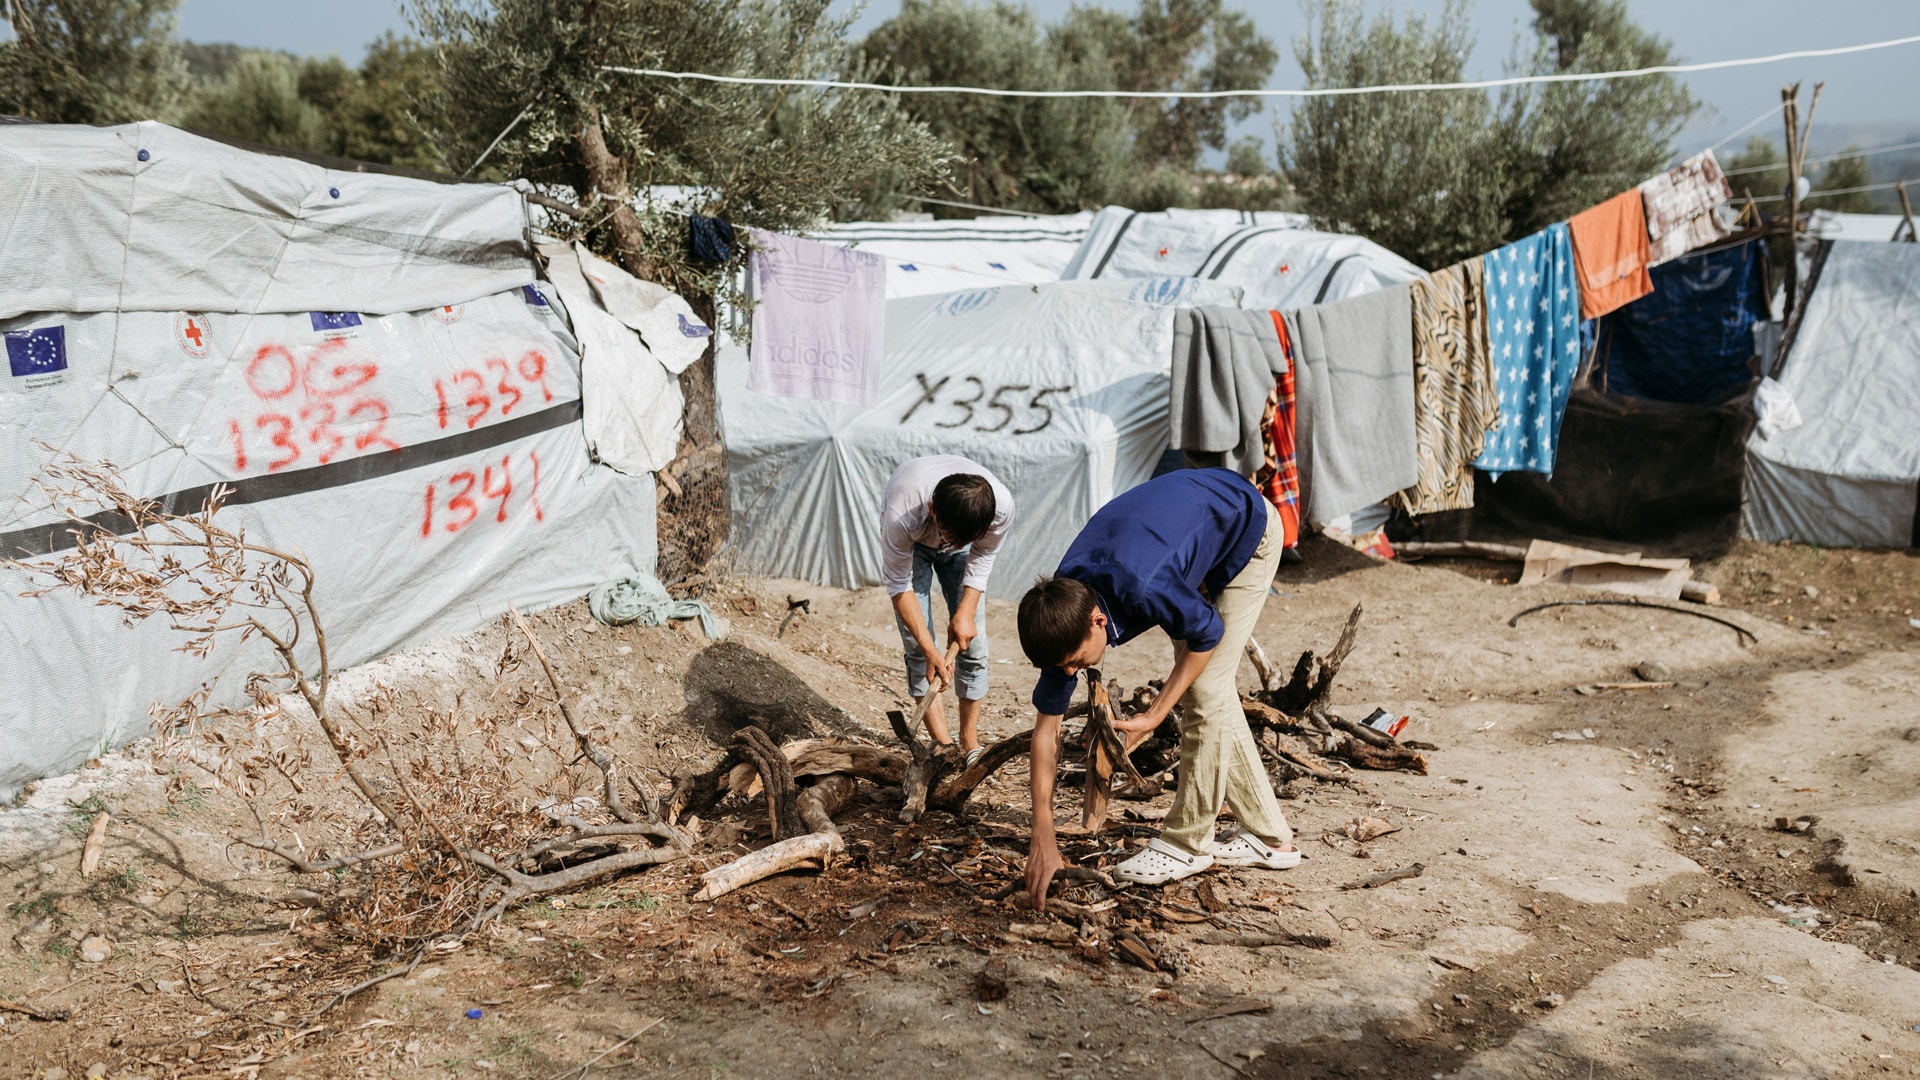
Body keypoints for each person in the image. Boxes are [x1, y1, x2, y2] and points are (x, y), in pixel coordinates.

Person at [1017, 468, 1298, 907]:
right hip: (1185, 533)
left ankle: (1188, 844)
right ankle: (1270, 838)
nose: (1069, 674)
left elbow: (1208, 634)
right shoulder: (1062, 608)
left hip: (1248, 527)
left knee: (1203, 688)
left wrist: (1155, 714)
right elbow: (1046, 729)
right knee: (1211, 688)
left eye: (1073, 662)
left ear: (1098, 622)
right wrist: (1042, 832)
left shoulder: (1141, 586)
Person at [880, 455, 1014, 765]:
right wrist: (930, 650)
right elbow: (899, 584)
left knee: (974, 645)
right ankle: (944, 748)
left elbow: (982, 558)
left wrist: (965, 612)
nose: (949, 544)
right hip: (915, 544)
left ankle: (969, 743)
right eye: (950, 537)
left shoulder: (1000, 508)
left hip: (962, 525)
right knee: (917, 647)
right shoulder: (902, 514)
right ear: (932, 511)